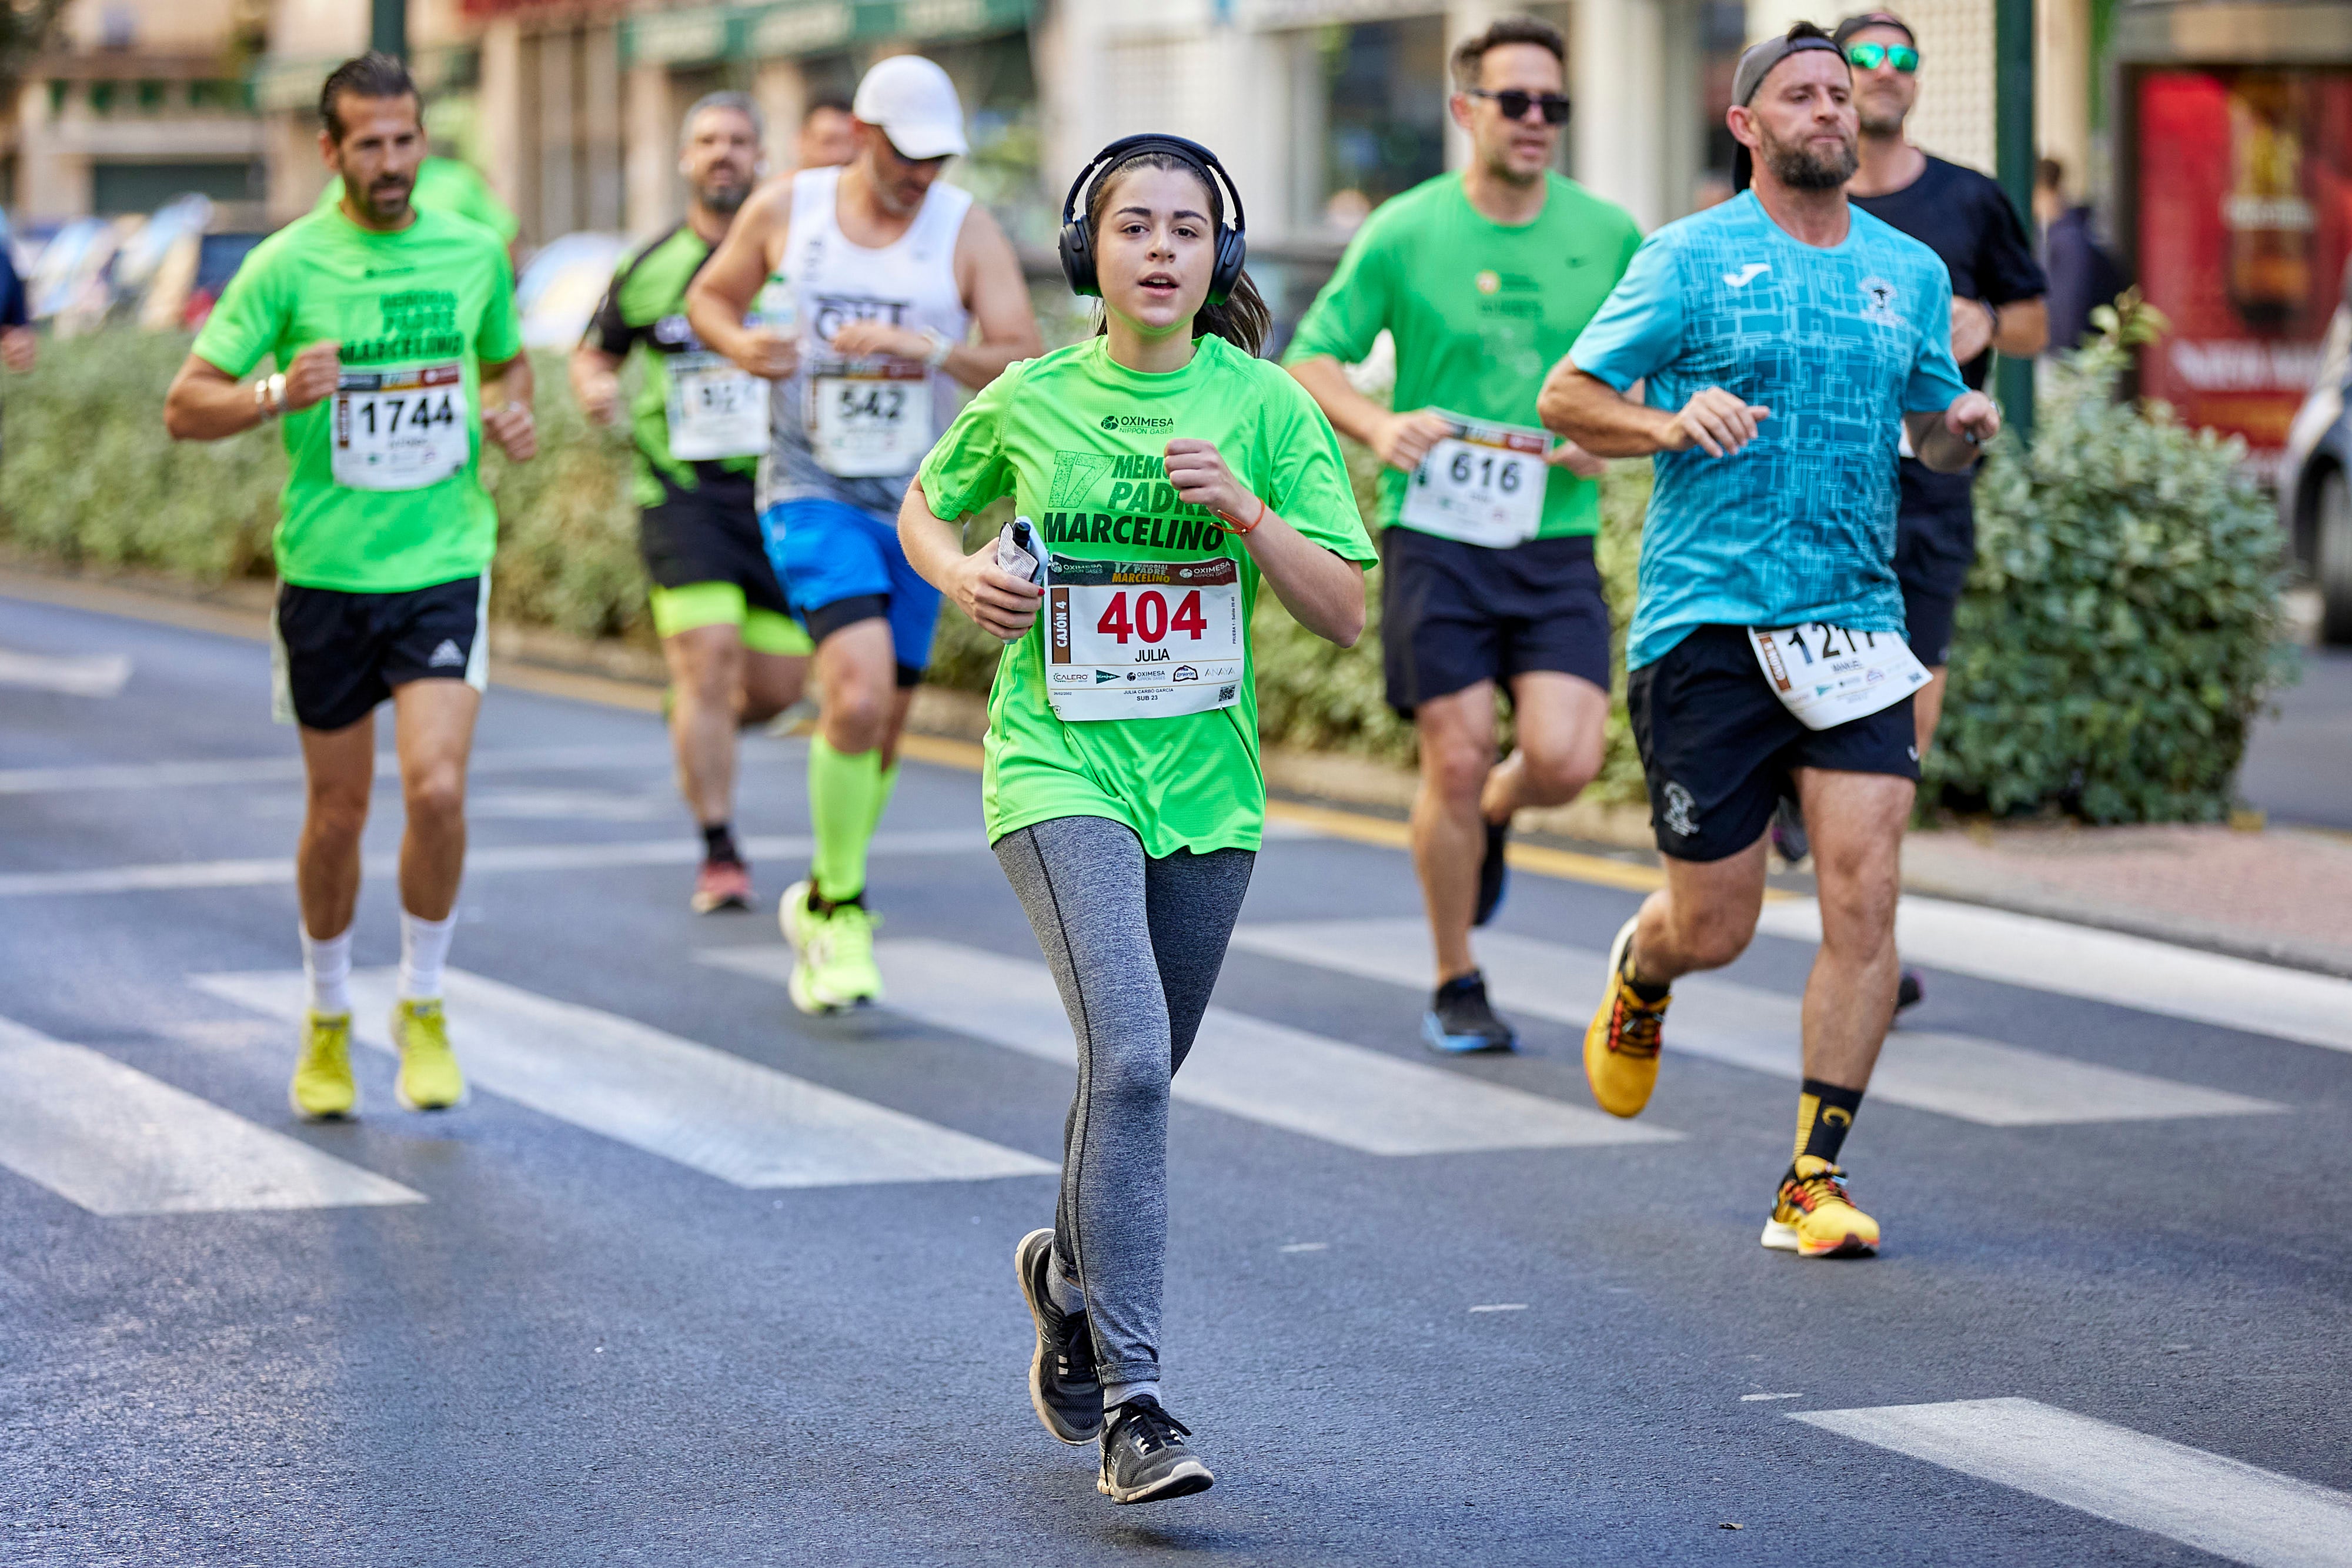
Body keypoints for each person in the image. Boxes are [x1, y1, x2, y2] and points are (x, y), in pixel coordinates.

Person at [901, 133, 1374, 1505]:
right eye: (1132, 228)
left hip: (1208, 793)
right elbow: (927, 506)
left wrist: (1247, 514)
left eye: (1183, 229)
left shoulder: (1267, 408)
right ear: (1088, 254)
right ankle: (1137, 1404)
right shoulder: (1033, 396)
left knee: (1135, 1074)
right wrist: (962, 575)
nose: (1158, 250)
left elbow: (1343, 611)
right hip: (1058, 769)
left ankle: (1061, 1275)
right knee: (1132, 1063)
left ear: (1216, 253)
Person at [1538, 25, 1999, 1259]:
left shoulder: (1906, 274)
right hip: (1708, 623)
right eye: (1799, 95)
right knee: (1720, 923)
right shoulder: (1684, 259)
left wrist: (1959, 421)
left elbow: (1931, 435)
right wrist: (1668, 416)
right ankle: (1643, 966)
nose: (1828, 112)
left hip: (1853, 621)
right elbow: (1568, 396)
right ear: (1745, 125)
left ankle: (1810, 1175)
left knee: (1866, 884)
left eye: (1839, 97)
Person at [163, 52, 536, 1120]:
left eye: (405, 139)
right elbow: (186, 404)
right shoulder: (286, 264)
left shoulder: (471, 255)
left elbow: (509, 366)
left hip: (442, 563)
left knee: (438, 790)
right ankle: (326, 1013)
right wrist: (279, 389)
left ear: (425, 140)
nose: (390, 161)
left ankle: (421, 1001)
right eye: (367, 143)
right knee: (338, 813)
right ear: (330, 151)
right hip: (326, 573)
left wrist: (514, 412)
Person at [1285, 15, 1639, 1054]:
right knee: (1453, 749)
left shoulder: (1610, 232)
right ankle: (1456, 977)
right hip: (1436, 535)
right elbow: (1311, 359)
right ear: (1464, 110)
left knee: (1566, 760)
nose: (1536, 121)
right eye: (1515, 101)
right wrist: (1381, 423)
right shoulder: (1406, 229)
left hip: (1555, 535)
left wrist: (1607, 437)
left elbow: (1651, 372)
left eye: (1553, 106)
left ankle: (1494, 808)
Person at [687, 54, 1040, 1014]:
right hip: (809, 488)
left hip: (924, 505)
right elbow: (708, 300)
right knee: (854, 687)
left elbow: (1023, 351)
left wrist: (926, 348)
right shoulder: (788, 210)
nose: (924, 173)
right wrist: (741, 343)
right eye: (910, 153)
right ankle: (840, 905)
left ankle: (825, 884)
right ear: (868, 134)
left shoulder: (962, 229)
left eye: (940, 157)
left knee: (880, 723)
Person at [572, 92, 811, 914]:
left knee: (781, 689)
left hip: (780, 491)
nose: (722, 154)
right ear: (685, 159)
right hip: (681, 493)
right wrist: (597, 387)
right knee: (708, 660)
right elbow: (592, 355)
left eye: (738, 141)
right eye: (707, 141)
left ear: (761, 157)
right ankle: (720, 848)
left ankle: (696, 721)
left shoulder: (796, 260)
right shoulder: (649, 268)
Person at [315, 152, 520, 259]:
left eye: (403, 140)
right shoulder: (341, 190)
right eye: (371, 144)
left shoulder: (457, 182)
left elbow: (506, 240)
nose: (391, 164)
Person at [2034, 156, 2128, 356]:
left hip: (2071, 359)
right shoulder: (2061, 235)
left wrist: (2054, 354)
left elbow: (2066, 309)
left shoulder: (2067, 240)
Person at [796, 96, 858, 170]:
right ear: (803, 139)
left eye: (847, 143)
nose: (838, 156)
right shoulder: (786, 182)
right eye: (829, 142)